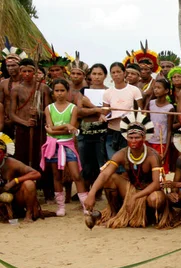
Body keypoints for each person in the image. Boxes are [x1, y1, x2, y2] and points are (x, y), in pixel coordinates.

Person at [83, 113, 170, 228]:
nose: (133, 140)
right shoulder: (121, 154)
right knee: (110, 178)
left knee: (156, 199)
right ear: (126, 137)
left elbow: (155, 184)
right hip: (131, 189)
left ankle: (149, 217)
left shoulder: (152, 156)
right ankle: (114, 214)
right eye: (131, 137)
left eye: (137, 137)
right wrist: (91, 193)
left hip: (149, 192)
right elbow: (104, 174)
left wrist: (135, 197)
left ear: (144, 138)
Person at [40, 79, 88, 216]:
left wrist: (55, 130)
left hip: (68, 144)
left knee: (76, 175)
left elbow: (68, 130)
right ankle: (60, 206)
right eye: (57, 91)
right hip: (53, 146)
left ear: (67, 92)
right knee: (56, 175)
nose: (59, 93)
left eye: (62, 90)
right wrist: (65, 126)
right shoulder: (49, 108)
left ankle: (85, 205)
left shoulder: (73, 108)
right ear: (53, 92)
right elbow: (52, 128)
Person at [9, 58, 52, 201]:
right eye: (24, 71)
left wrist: (38, 113)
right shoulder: (16, 89)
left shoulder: (43, 88)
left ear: (34, 72)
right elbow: (12, 114)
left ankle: (47, 192)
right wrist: (25, 122)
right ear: (20, 72)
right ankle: (21, 190)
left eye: (30, 71)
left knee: (41, 159)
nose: (27, 74)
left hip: (39, 130)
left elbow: (48, 111)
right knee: (21, 159)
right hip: (23, 130)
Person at [0, 132, 44, 222]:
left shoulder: (12, 163)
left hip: (17, 198)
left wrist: (15, 181)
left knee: (29, 184)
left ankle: (29, 214)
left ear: (4, 154)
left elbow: (36, 174)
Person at [103, 62, 143, 159]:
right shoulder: (107, 92)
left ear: (124, 73)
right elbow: (104, 112)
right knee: (114, 161)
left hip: (129, 131)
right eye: (113, 72)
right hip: (113, 130)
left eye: (118, 72)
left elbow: (141, 111)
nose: (116, 75)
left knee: (128, 161)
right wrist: (103, 116)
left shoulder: (134, 90)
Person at [78, 63, 109, 188]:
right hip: (85, 132)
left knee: (101, 164)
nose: (97, 77)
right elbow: (79, 111)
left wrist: (90, 106)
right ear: (90, 75)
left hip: (103, 133)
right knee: (86, 164)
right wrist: (98, 110)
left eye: (100, 74)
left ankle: (98, 191)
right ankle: (85, 193)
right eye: (94, 74)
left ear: (105, 76)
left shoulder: (108, 91)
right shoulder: (84, 91)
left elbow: (109, 112)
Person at [147, 79, 174, 172]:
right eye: (155, 88)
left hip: (161, 142)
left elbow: (169, 129)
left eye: (159, 88)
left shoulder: (169, 108)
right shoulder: (151, 104)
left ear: (166, 91)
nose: (156, 90)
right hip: (149, 140)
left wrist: (166, 151)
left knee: (160, 168)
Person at [0, 43, 26, 138]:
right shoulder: (3, 84)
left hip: (22, 121)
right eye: (8, 66)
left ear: (20, 66)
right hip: (6, 122)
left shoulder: (26, 84)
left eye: (13, 65)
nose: (10, 68)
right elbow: (0, 104)